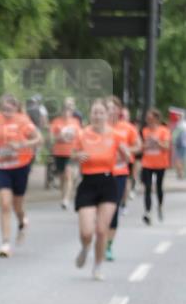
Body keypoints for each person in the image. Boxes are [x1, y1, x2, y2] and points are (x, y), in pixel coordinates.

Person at [72, 99, 130, 280]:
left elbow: (127, 157)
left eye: (101, 112)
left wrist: (125, 152)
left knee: (101, 230)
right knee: (86, 232)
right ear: (90, 115)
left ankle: (97, 266)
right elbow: (73, 154)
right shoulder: (82, 134)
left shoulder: (115, 135)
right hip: (88, 182)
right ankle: (85, 247)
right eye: (94, 112)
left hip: (108, 183)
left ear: (107, 115)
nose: (97, 116)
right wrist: (78, 156)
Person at [0, 94, 42, 257]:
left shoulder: (23, 120)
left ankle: (22, 221)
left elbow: (38, 139)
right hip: (2, 166)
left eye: (9, 109)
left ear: (16, 108)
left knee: (17, 205)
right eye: (3, 109)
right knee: (5, 204)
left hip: (20, 166)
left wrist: (21, 145)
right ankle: (5, 243)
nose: (6, 112)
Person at [105, 96, 140, 261]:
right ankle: (100, 237)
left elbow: (138, 146)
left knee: (112, 210)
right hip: (99, 174)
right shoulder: (97, 128)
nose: (110, 110)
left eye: (113, 108)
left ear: (118, 110)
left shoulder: (127, 128)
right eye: (107, 107)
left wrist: (126, 149)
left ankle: (109, 245)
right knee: (100, 211)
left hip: (119, 172)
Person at [140, 108, 171, 224]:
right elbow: (140, 146)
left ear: (157, 119)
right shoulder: (144, 131)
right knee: (147, 188)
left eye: (151, 118)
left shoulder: (164, 131)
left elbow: (166, 146)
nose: (149, 120)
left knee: (159, 187)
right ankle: (147, 212)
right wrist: (145, 145)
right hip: (147, 163)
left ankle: (160, 206)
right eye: (148, 119)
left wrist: (157, 142)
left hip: (160, 163)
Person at [49, 97, 79, 209]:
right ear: (62, 110)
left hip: (71, 152)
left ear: (72, 110)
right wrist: (59, 137)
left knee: (68, 175)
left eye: (70, 108)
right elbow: (51, 137)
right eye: (66, 108)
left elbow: (80, 136)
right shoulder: (56, 122)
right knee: (62, 177)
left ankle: (66, 199)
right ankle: (63, 197)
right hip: (59, 152)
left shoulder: (75, 122)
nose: (67, 111)